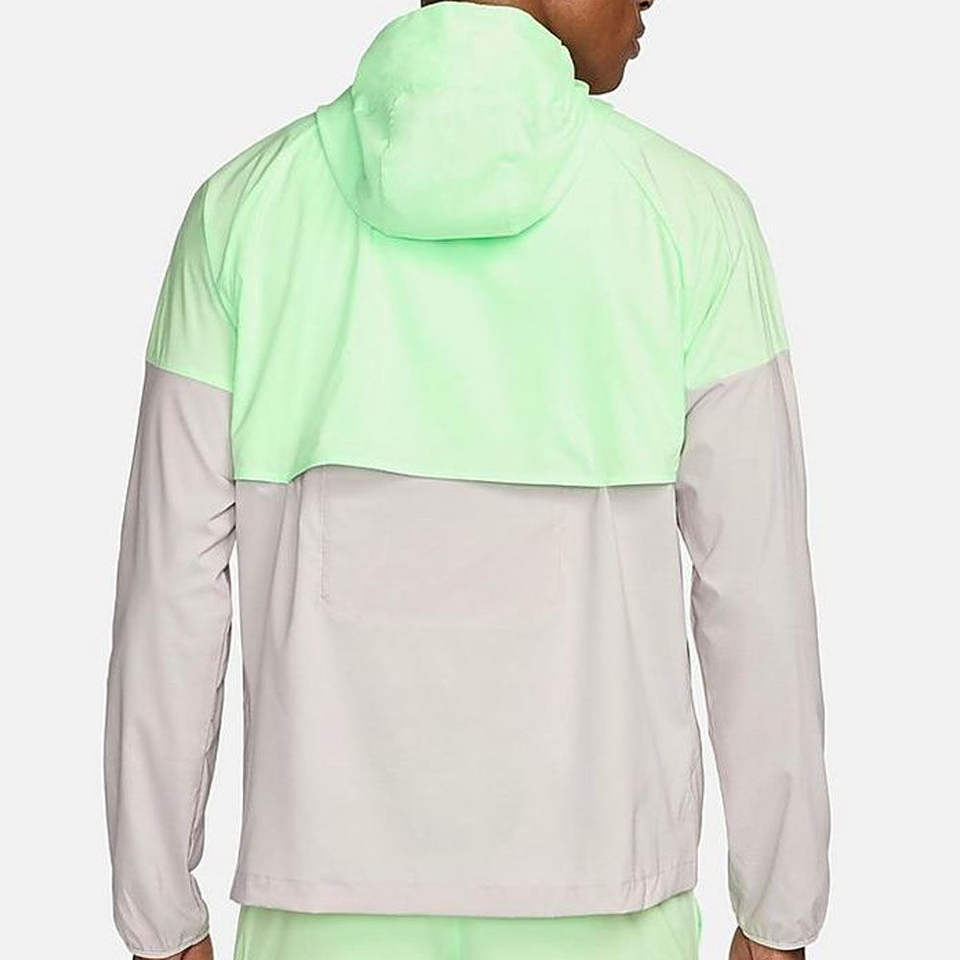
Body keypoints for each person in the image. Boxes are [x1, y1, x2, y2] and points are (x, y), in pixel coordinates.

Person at [105, 1, 830, 958]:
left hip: (321, 902)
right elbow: (756, 588)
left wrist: (158, 911)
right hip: (608, 898)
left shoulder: (247, 209)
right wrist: (780, 908)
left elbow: (169, 589)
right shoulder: (687, 213)